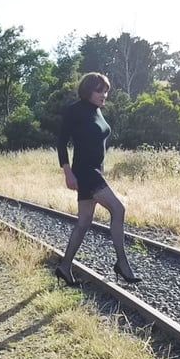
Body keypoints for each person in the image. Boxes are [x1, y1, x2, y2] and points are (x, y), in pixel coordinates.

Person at [54, 72, 141, 286]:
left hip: (95, 171)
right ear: (88, 90)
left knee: (84, 222)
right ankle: (122, 264)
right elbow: (61, 142)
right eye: (99, 90)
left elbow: (98, 143)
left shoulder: (97, 112)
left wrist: (102, 170)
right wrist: (67, 171)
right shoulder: (75, 111)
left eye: (106, 91)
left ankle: (64, 267)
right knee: (118, 210)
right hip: (84, 171)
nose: (104, 95)